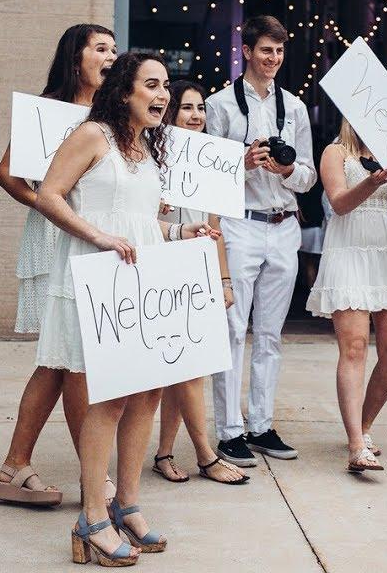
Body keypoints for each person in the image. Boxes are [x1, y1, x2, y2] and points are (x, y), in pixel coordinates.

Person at [36, 52, 221, 564]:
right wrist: (96, 234)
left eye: (165, 86)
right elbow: (49, 194)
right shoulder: (93, 134)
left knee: (149, 391)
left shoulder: (147, 147)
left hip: (144, 280)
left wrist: (184, 231)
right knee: (108, 399)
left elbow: (143, 223)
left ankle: (127, 503)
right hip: (98, 278)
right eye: (152, 85)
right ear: (123, 92)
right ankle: (91, 516)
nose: (162, 95)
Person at [0, 23, 117, 508]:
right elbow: (6, 173)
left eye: (114, 50)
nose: (110, 56)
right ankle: (93, 477)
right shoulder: (49, 109)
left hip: (92, 240)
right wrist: (49, 205)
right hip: (54, 240)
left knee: (61, 360)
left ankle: (16, 467)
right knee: (72, 358)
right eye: (100, 48)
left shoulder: (109, 115)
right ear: (76, 57)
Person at [204, 15, 317, 467]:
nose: (273, 59)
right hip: (239, 224)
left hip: (284, 224)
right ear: (247, 50)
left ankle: (262, 424)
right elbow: (204, 175)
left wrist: (286, 170)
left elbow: (308, 176)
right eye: (266, 50)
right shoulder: (219, 105)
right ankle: (229, 430)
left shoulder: (296, 107)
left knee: (270, 333)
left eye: (280, 51)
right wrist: (244, 163)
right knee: (233, 330)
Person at [305, 118, 387, 472]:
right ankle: (354, 445)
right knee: (354, 347)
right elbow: (339, 204)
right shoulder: (335, 152)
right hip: (348, 251)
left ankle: (364, 428)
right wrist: (370, 182)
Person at [151, 81, 250, 486]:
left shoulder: (210, 162)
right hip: (160, 269)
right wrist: (160, 206)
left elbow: (215, 228)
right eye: (186, 108)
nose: (195, 115)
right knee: (182, 369)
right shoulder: (151, 156)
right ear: (171, 113)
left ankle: (164, 453)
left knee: (187, 370)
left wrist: (224, 280)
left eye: (200, 108)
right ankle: (207, 455)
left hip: (199, 272)